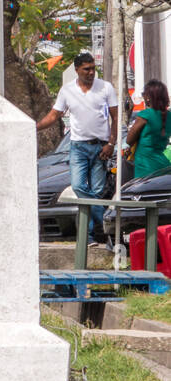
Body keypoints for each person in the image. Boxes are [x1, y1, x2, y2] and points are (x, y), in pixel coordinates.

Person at [36, 51, 119, 246]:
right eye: (86, 69)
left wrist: (111, 144)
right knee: (79, 186)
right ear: (77, 70)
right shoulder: (67, 91)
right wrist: (35, 126)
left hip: (101, 146)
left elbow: (115, 117)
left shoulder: (105, 88)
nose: (91, 73)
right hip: (78, 146)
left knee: (97, 191)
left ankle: (90, 237)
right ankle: (107, 219)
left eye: (93, 69)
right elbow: (54, 115)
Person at [126, 79, 171, 179]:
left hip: (145, 165)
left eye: (144, 94)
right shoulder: (169, 116)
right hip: (164, 165)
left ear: (149, 97)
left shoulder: (145, 115)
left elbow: (129, 140)